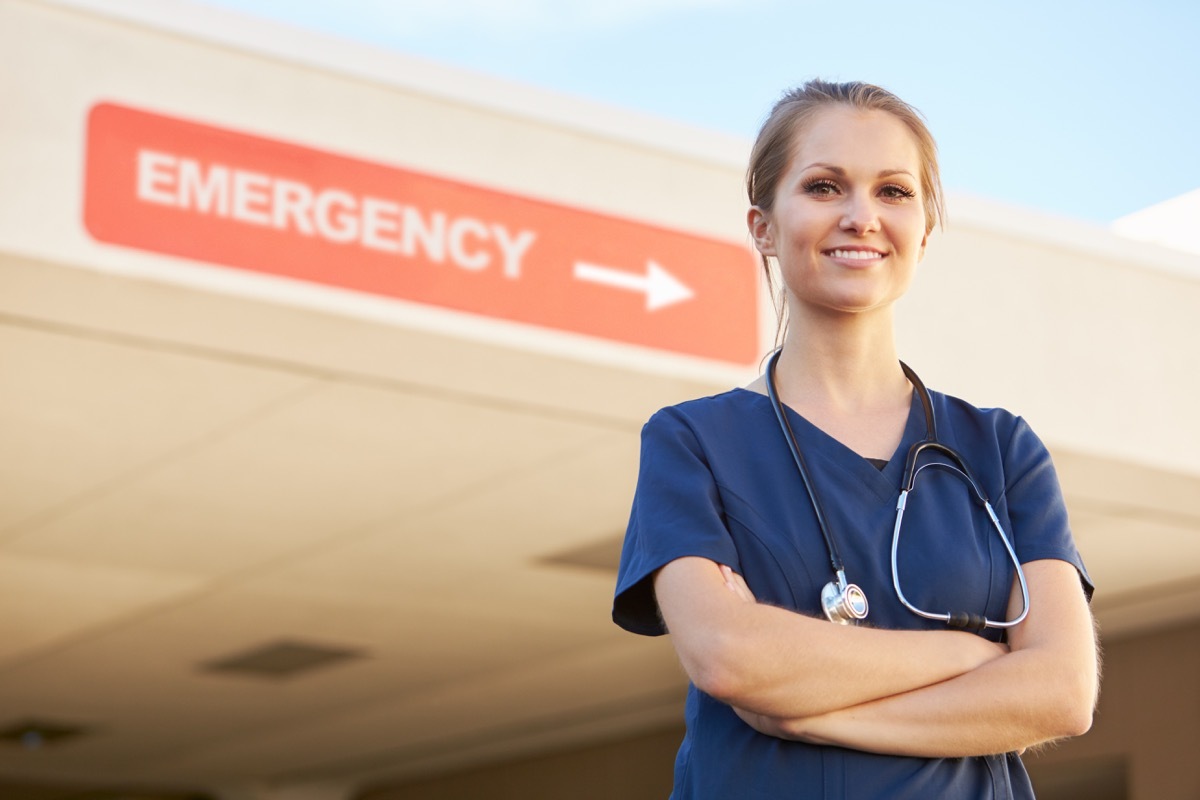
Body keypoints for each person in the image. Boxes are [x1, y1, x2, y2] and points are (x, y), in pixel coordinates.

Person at [612, 79, 1099, 799]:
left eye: (894, 192)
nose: (861, 216)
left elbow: (1060, 691)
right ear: (763, 227)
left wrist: (817, 716)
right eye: (824, 186)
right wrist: (970, 655)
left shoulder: (1000, 449)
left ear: (925, 232)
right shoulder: (693, 443)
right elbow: (729, 660)